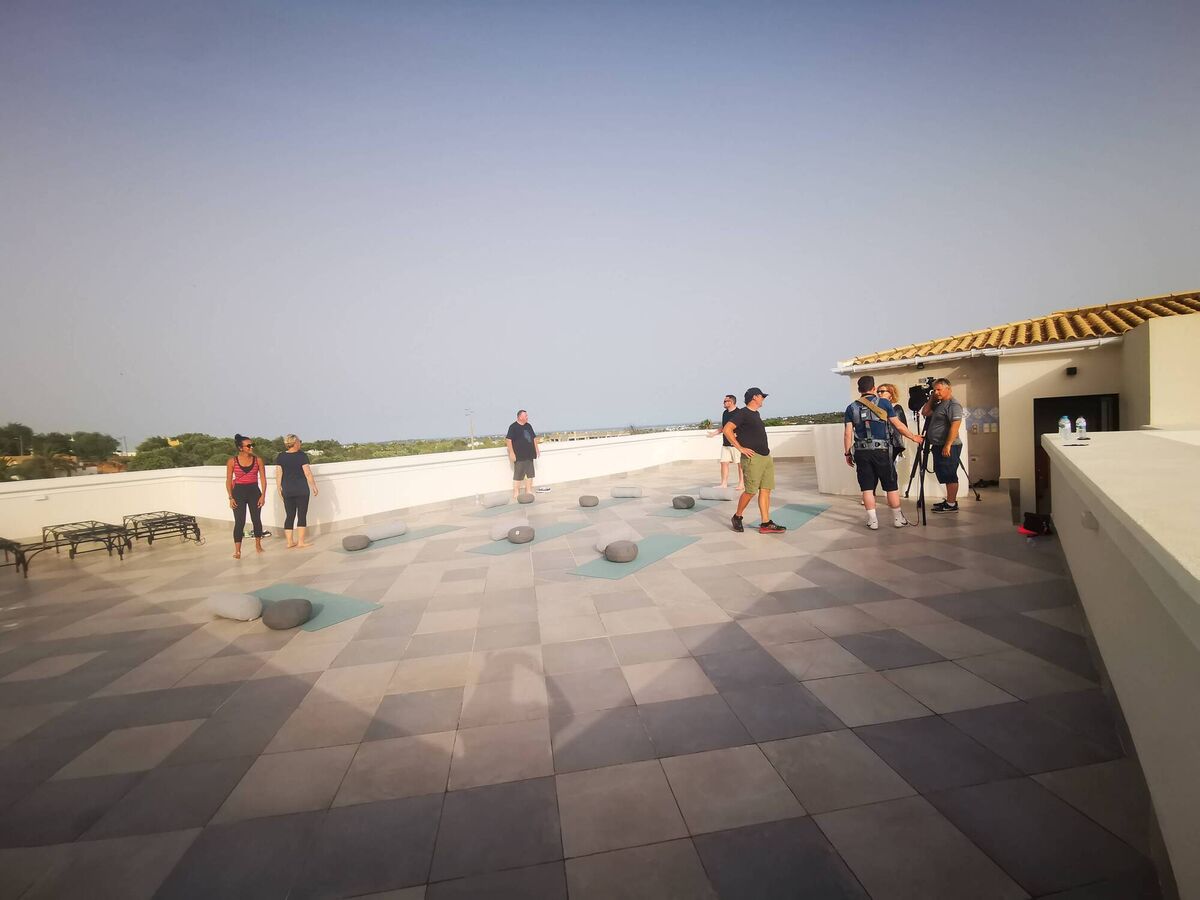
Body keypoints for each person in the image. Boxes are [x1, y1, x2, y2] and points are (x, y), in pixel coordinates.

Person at [843, 375, 924, 530]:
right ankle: (897, 519)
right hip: (882, 451)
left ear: (859, 390)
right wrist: (914, 437)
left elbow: (848, 433)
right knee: (891, 485)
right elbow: (898, 426)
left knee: (867, 487)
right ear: (874, 388)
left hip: (861, 451)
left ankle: (873, 521)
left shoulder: (851, 407)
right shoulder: (885, 403)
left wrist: (847, 453)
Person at [723, 388, 787, 534]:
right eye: (762, 396)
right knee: (751, 491)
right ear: (754, 397)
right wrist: (740, 448)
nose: (763, 399)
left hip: (766, 457)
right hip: (752, 459)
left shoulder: (756, 413)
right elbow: (727, 429)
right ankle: (737, 516)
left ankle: (765, 523)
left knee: (766, 490)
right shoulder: (742, 413)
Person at [921, 377, 964, 512]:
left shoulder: (953, 405)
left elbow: (955, 426)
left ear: (948, 389)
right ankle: (950, 501)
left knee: (950, 474)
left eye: (939, 389)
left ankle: (951, 505)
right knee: (944, 473)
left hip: (949, 446)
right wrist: (932, 398)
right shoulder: (940, 404)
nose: (936, 392)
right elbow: (925, 412)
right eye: (934, 390)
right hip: (939, 445)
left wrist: (948, 445)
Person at [226, 434, 267, 558]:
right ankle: (238, 551)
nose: (251, 447)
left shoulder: (258, 460)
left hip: (254, 491)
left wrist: (263, 496)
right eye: (248, 445)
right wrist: (230, 497)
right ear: (240, 448)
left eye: (252, 445)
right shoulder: (232, 461)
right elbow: (228, 480)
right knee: (240, 521)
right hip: (238, 492)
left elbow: (263, 479)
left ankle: (258, 544)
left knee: (256, 519)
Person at [275, 434, 319, 549]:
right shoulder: (301, 456)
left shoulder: (281, 456)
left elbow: (279, 473)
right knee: (301, 515)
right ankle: (301, 542)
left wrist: (279, 487)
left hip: (287, 489)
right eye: (300, 441)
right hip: (301, 489)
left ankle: (289, 542)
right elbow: (307, 473)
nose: (300, 443)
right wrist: (313, 486)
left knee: (289, 515)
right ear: (295, 443)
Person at [708, 394, 744, 490]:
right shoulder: (725, 413)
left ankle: (741, 483)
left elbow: (744, 428)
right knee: (724, 462)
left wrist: (737, 435)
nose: (723, 403)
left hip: (736, 444)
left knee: (740, 464)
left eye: (725, 401)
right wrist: (714, 433)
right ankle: (723, 484)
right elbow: (724, 427)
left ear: (731, 402)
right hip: (726, 444)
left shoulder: (739, 413)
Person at [505, 410, 539, 500]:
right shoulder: (513, 427)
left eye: (527, 415)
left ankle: (529, 491)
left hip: (529, 454)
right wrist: (511, 453)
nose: (527, 417)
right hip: (519, 455)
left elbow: (534, 438)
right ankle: (516, 492)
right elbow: (508, 440)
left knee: (530, 474)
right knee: (518, 475)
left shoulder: (528, 426)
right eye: (525, 416)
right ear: (520, 417)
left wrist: (537, 449)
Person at [876, 383, 909, 473]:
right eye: (878, 392)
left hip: (893, 445)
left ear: (891, 394)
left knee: (891, 473)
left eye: (882, 391)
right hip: (880, 446)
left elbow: (902, 427)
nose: (879, 394)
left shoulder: (896, 408)